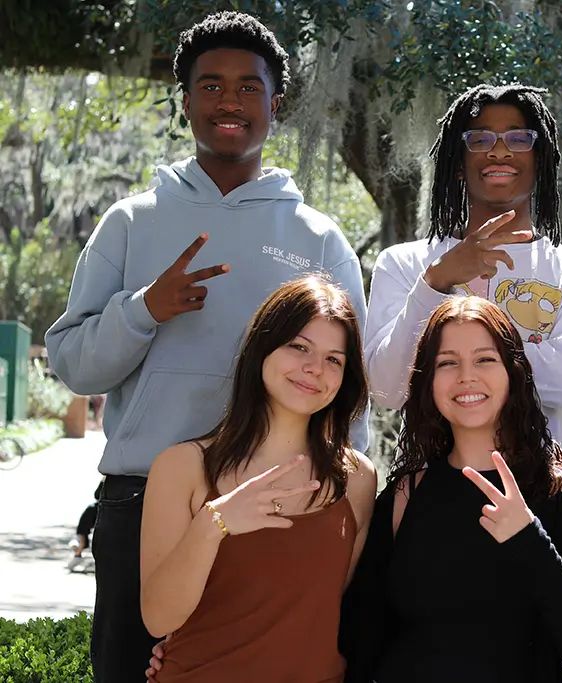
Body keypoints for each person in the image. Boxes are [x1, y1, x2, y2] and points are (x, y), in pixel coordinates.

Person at [43, 12, 368, 682]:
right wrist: (144, 310)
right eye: (211, 85)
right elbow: (74, 363)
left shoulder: (319, 238)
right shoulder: (130, 222)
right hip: (141, 504)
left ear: (275, 106)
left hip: (279, 505)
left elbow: (346, 384)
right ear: (184, 100)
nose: (229, 100)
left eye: (249, 87)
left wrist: (330, 495)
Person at [342, 296, 562, 682]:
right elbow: (362, 640)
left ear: (513, 372)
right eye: (447, 362)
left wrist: (529, 540)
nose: (466, 376)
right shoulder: (406, 495)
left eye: (485, 359)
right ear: (428, 381)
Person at [140, 276, 375, 682]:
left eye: (334, 359)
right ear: (262, 346)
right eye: (299, 346)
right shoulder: (181, 468)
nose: (314, 369)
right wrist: (214, 524)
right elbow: (159, 618)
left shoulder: (357, 479)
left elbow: (322, 610)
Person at [363, 84, 562, 446]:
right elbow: (387, 388)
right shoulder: (406, 264)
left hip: (536, 488)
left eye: (519, 138)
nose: (498, 151)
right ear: (458, 164)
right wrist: (436, 282)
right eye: (479, 140)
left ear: (540, 158)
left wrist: (445, 361)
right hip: (430, 486)